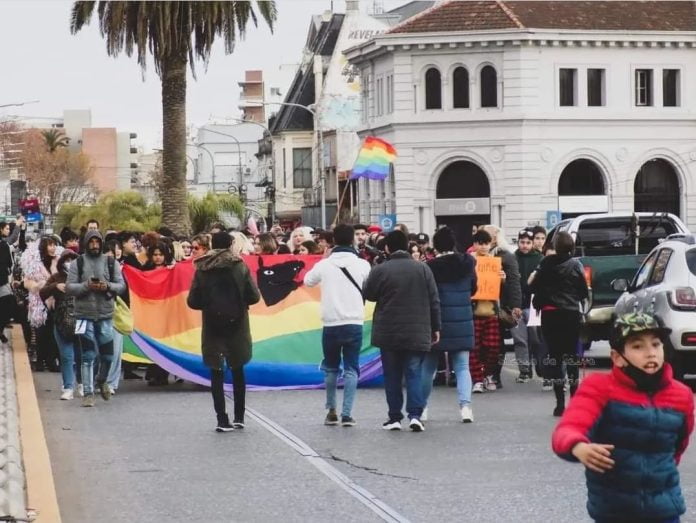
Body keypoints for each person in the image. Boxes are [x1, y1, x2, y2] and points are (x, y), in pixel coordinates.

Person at [552, 312, 694, 523]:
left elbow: (677, 447)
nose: (650, 353)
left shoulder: (681, 395)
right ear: (617, 357)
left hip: (664, 509)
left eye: (656, 344)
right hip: (614, 511)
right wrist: (577, 446)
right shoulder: (599, 387)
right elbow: (568, 428)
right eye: (638, 346)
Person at [363, 230, 440, 432]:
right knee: (414, 372)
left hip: (388, 330)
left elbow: (369, 295)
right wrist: (437, 327)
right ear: (407, 246)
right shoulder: (423, 269)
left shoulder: (381, 269)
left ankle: (395, 417)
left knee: (393, 375)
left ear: (387, 247)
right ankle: (415, 415)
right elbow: (434, 300)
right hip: (417, 329)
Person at [187, 232, 260, 432]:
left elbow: (193, 301)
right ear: (231, 245)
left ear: (212, 245)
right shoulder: (239, 266)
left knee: (216, 372)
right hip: (237, 325)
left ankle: (221, 419)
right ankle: (239, 417)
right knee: (238, 369)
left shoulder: (201, 268)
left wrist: (210, 304)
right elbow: (254, 296)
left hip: (212, 326)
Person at [304, 224, 371, 427]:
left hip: (331, 323)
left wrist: (324, 260)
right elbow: (370, 286)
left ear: (333, 241)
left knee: (331, 368)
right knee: (351, 368)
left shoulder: (325, 265)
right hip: (354, 322)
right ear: (352, 240)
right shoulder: (363, 264)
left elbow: (307, 281)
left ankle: (331, 410)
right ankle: (347, 414)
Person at [530, 231, 588, 416]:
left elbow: (532, 287)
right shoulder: (576, 265)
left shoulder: (545, 263)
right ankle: (575, 401)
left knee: (555, 358)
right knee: (571, 357)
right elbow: (583, 292)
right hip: (571, 314)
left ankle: (559, 403)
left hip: (550, 314)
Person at [66, 230, 126, 407]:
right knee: (88, 355)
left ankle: (102, 379)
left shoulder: (110, 262)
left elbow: (121, 286)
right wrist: (86, 286)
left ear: (101, 243)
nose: (94, 245)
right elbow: (69, 287)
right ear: (86, 243)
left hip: (106, 315)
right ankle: (88, 393)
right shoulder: (78, 262)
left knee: (108, 355)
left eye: (97, 242)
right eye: (91, 242)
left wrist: (106, 286)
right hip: (83, 316)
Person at [423, 227, 476, 423]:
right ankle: (465, 407)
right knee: (462, 367)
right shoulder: (468, 263)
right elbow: (474, 288)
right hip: (462, 319)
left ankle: (422, 408)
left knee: (428, 368)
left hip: (436, 322)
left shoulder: (429, 267)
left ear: (435, 246)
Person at [482, 224, 522, 389]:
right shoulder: (477, 254)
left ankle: (495, 374)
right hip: (481, 303)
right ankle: (483, 374)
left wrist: (515, 306)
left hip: (499, 304)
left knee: (496, 342)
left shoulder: (506, 256)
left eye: (488, 235)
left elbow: (514, 282)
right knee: (482, 341)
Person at [40, 250, 80, 400]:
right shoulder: (56, 277)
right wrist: (55, 286)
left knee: (81, 356)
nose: (69, 263)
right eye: (66, 260)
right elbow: (42, 292)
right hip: (61, 320)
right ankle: (68, 386)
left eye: (73, 260)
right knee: (66, 355)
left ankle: (82, 384)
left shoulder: (83, 277)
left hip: (81, 320)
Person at [22, 236, 62, 371]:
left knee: (53, 333)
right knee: (40, 332)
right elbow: (26, 282)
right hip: (39, 302)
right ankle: (40, 360)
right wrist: (37, 285)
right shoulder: (34, 263)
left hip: (55, 301)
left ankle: (51, 361)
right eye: (50, 245)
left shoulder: (58, 261)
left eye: (54, 245)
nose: (53, 248)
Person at [469, 229, 501, 393]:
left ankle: (488, 375)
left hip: (491, 311)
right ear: (474, 245)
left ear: (491, 244)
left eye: (486, 243)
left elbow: (500, 289)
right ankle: (477, 379)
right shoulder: (469, 262)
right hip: (473, 312)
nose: (483, 246)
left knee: (493, 347)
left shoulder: (494, 263)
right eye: (480, 243)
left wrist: (502, 278)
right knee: (474, 348)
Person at [511, 228, 544, 384]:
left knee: (536, 339)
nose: (524, 245)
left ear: (532, 243)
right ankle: (524, 370)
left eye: (528, 242)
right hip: (515, 306)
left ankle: (541, 368)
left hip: (534, 305)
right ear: (518, 242)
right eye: (522, 242)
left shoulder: (540, 259)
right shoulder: (512, 258)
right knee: (519, 339)